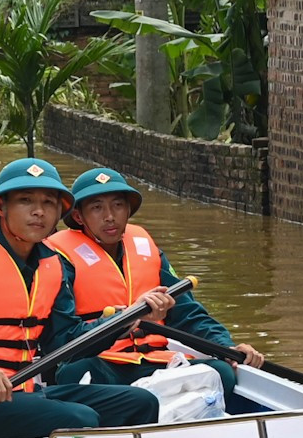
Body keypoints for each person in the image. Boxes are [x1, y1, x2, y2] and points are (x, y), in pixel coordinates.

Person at [0, 158, 178, 438]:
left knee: (140, 402)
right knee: (80, 418)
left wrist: (119, 322)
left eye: (49, 202)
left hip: (24, 392)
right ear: (0, 207)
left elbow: (64, 341)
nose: (38, 211)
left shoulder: (52, 263)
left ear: (60, 211)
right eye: (25, 200)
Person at [49, 166, 265, 402]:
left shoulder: (146, 249)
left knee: (222, 372)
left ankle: (147, 400)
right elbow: (63, 337)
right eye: (97, 207)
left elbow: (187, 314)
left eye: (118, 205)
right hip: (103, 363)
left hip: (154, 360)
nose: (110, 216)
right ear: (79, 217)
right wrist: (123, 320)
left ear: (128, 209)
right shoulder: (60, 258)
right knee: (75, 373)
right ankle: (148, 401)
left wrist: (226, 347)